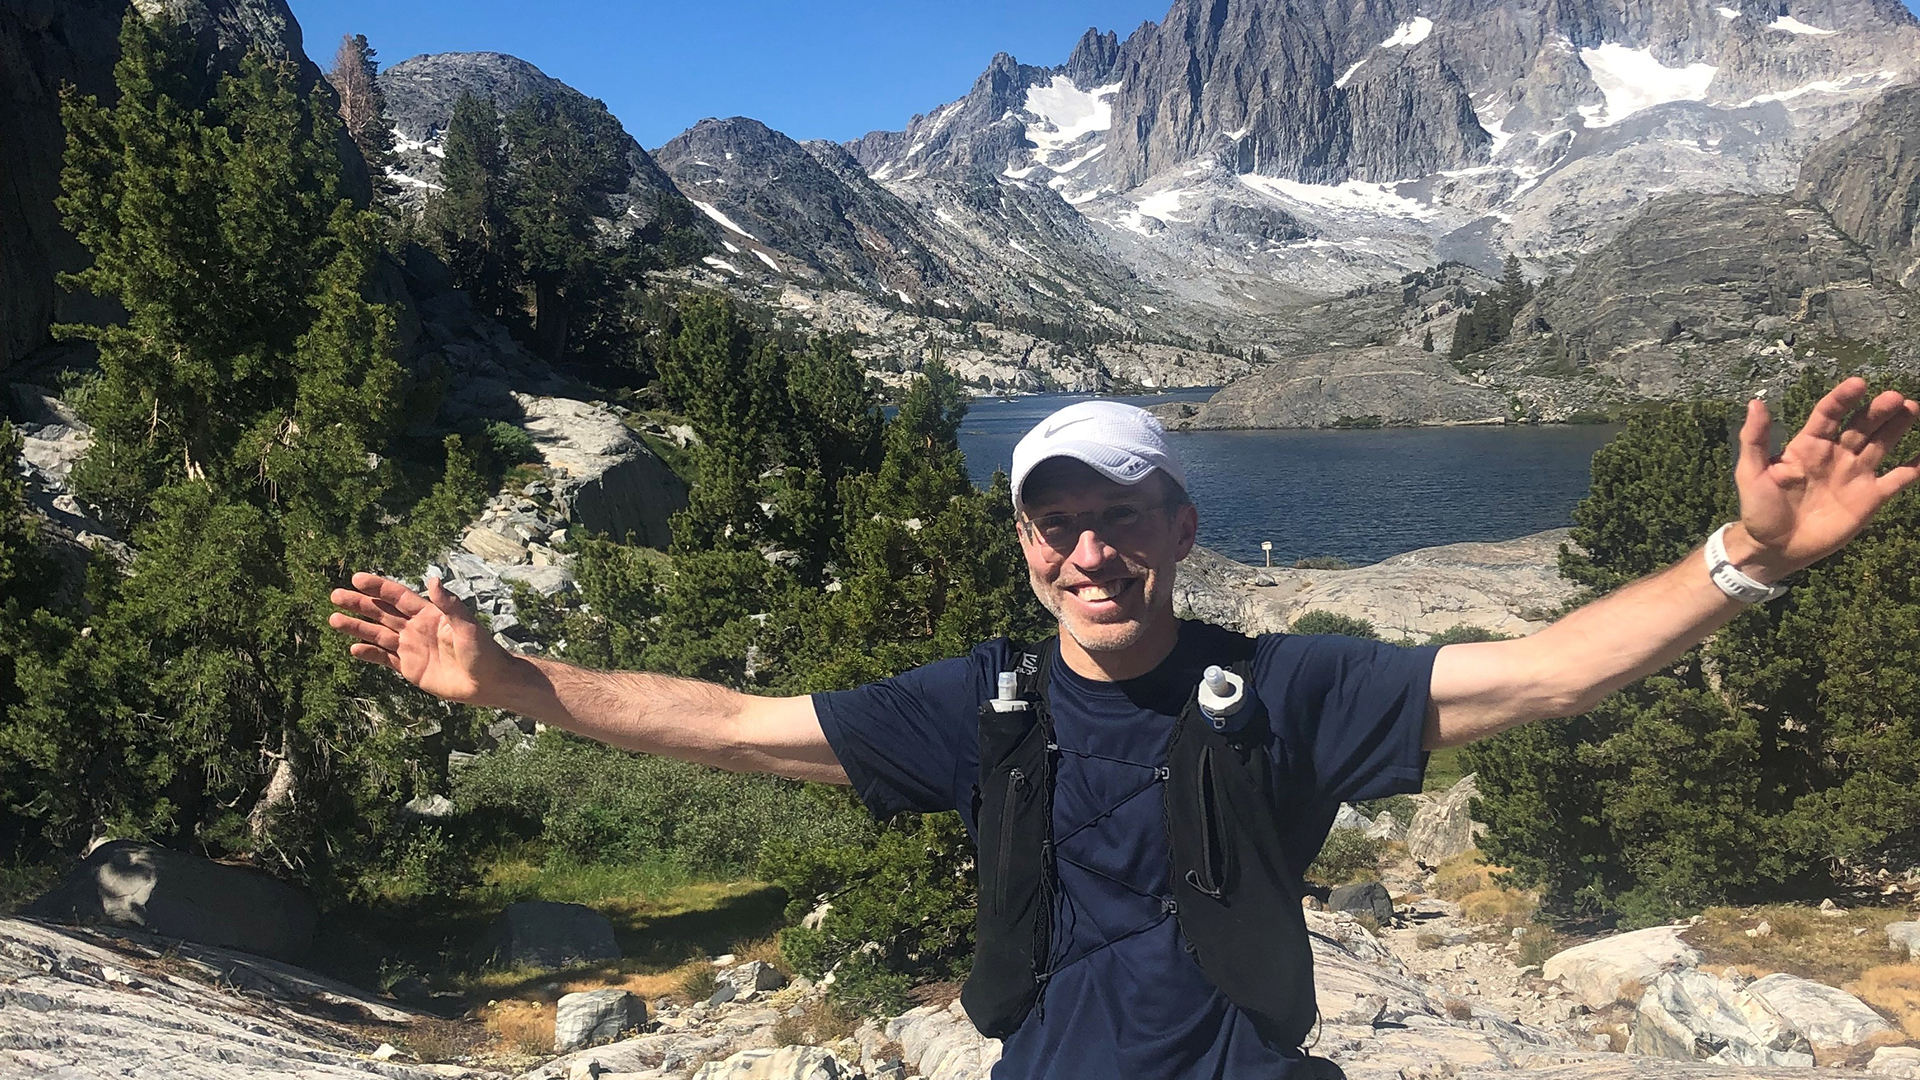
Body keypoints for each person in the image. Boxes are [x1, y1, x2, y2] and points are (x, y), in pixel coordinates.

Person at [329, 378, 1920, 1079]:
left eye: (1121, 513)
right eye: (1055, 520)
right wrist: (520, 686)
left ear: (1178, 520)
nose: (1089, 548)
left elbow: (1551, 671)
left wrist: (1747, 563)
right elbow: (738, 725)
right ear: (1027, 542)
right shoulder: (980, 707)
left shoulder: (1284, 691)